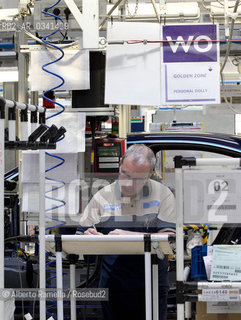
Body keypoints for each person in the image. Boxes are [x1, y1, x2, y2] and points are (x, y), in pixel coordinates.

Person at [77, 144, 175, 320]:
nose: (128, 183)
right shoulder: (103, 196)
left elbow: (170, 241)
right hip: (113, 285)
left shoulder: (163, 195)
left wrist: (131, 237)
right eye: (125, 174)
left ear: (150, 174)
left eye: (137, 179)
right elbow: (79, 236)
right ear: (120, 165)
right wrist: (89, 236)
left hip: (151, 285)